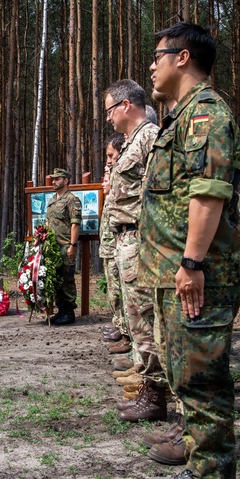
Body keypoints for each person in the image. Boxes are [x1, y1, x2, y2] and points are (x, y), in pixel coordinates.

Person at [140, 22, 240, 479]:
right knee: (185, 375)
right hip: (175, 272)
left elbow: (208, 193)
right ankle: (199, 465)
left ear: (182, 58)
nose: (152, 66)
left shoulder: (205, 113)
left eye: (158, 56)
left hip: (198, 272)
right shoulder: (181, 116)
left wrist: (191, 262)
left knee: (202, 377)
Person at [103, 79, 166, 424]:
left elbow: (153, 195)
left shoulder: (150, 137)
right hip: (126, 240)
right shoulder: (134, 142)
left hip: (141, 240)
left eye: (110, 110)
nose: (109, 118)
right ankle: (149, 385)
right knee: (138, 319)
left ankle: (156, 393)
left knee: (145, 318)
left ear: (126, 105)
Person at [100, 135, 131, 355]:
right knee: (114, 292)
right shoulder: (116, 173)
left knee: (120, 292)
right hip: (111, 245)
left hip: (120, 244)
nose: (109, 161)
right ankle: (121, 327)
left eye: (111, 155)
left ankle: (126, 333)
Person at [44, 169, 81, 325]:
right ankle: (61, 311)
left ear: (66, 180)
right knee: (57, 279)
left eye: (57, 179)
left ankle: (69, 312)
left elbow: (75, 224)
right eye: (53, 179)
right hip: (52, 248)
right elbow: (48, 222)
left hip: (65, 246)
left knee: (67, 279)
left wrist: (72, 245)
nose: (53, 182)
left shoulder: (72, 200)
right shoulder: (52, 200)